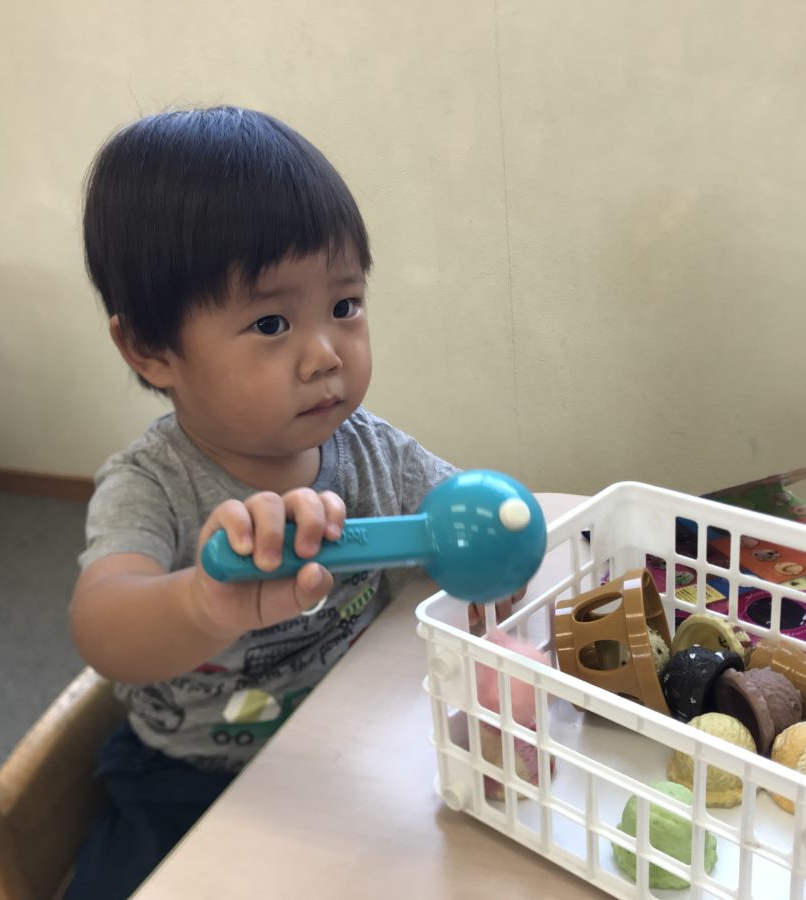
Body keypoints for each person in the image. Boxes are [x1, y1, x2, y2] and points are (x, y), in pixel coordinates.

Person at [66, 106, 502, 899]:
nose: (325, 354)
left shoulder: (372, 450)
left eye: (345, 306)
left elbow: (465, 523)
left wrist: (499, 552)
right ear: (151, 350)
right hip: (189, 779)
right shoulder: (151, 485)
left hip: (350, 741)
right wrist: (199, 603)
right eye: (271, 322)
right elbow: (103, 625)